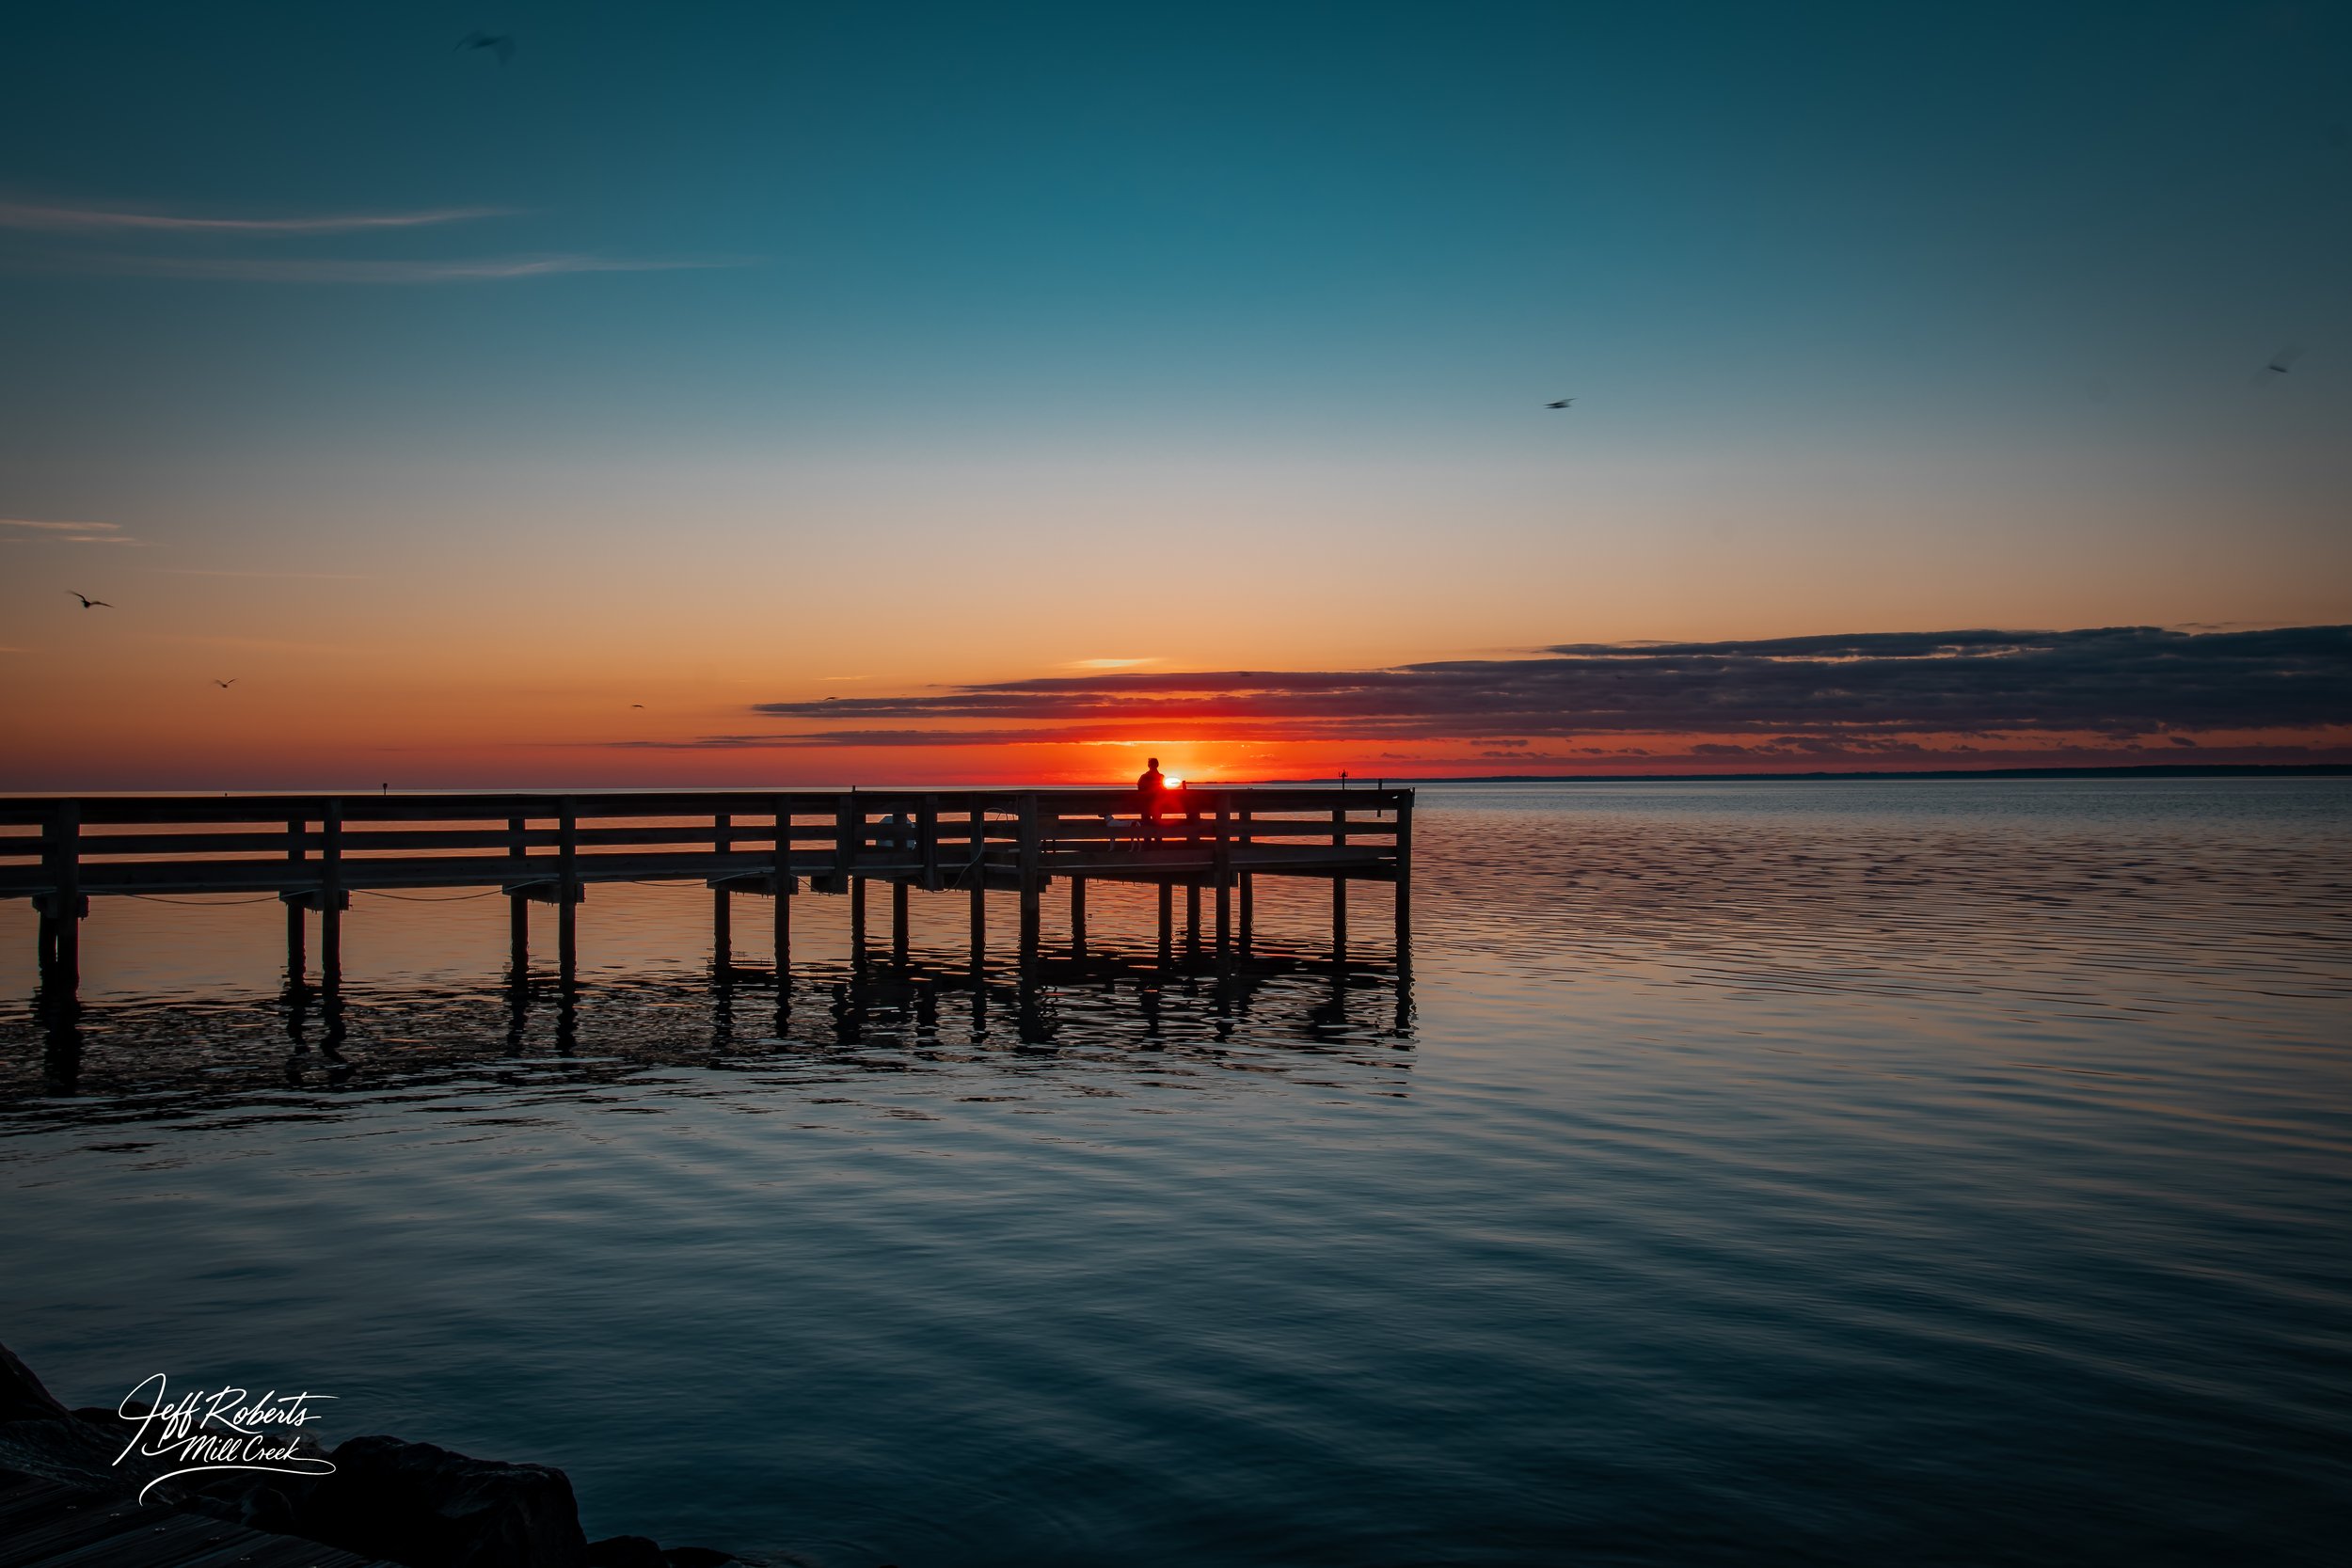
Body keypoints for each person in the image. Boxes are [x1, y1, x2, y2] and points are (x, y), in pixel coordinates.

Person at [1136, 757, 1167, 846]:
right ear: (1157, 765)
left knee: (1146, 824)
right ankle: (1158, 844)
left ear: (1149, 765)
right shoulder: (1161, 776)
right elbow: (1163, 790)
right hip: (1158, 804)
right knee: (1157, 824)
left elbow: (1139, 787)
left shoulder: (1144, 776)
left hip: (1146, 804)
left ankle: (1147, 844)